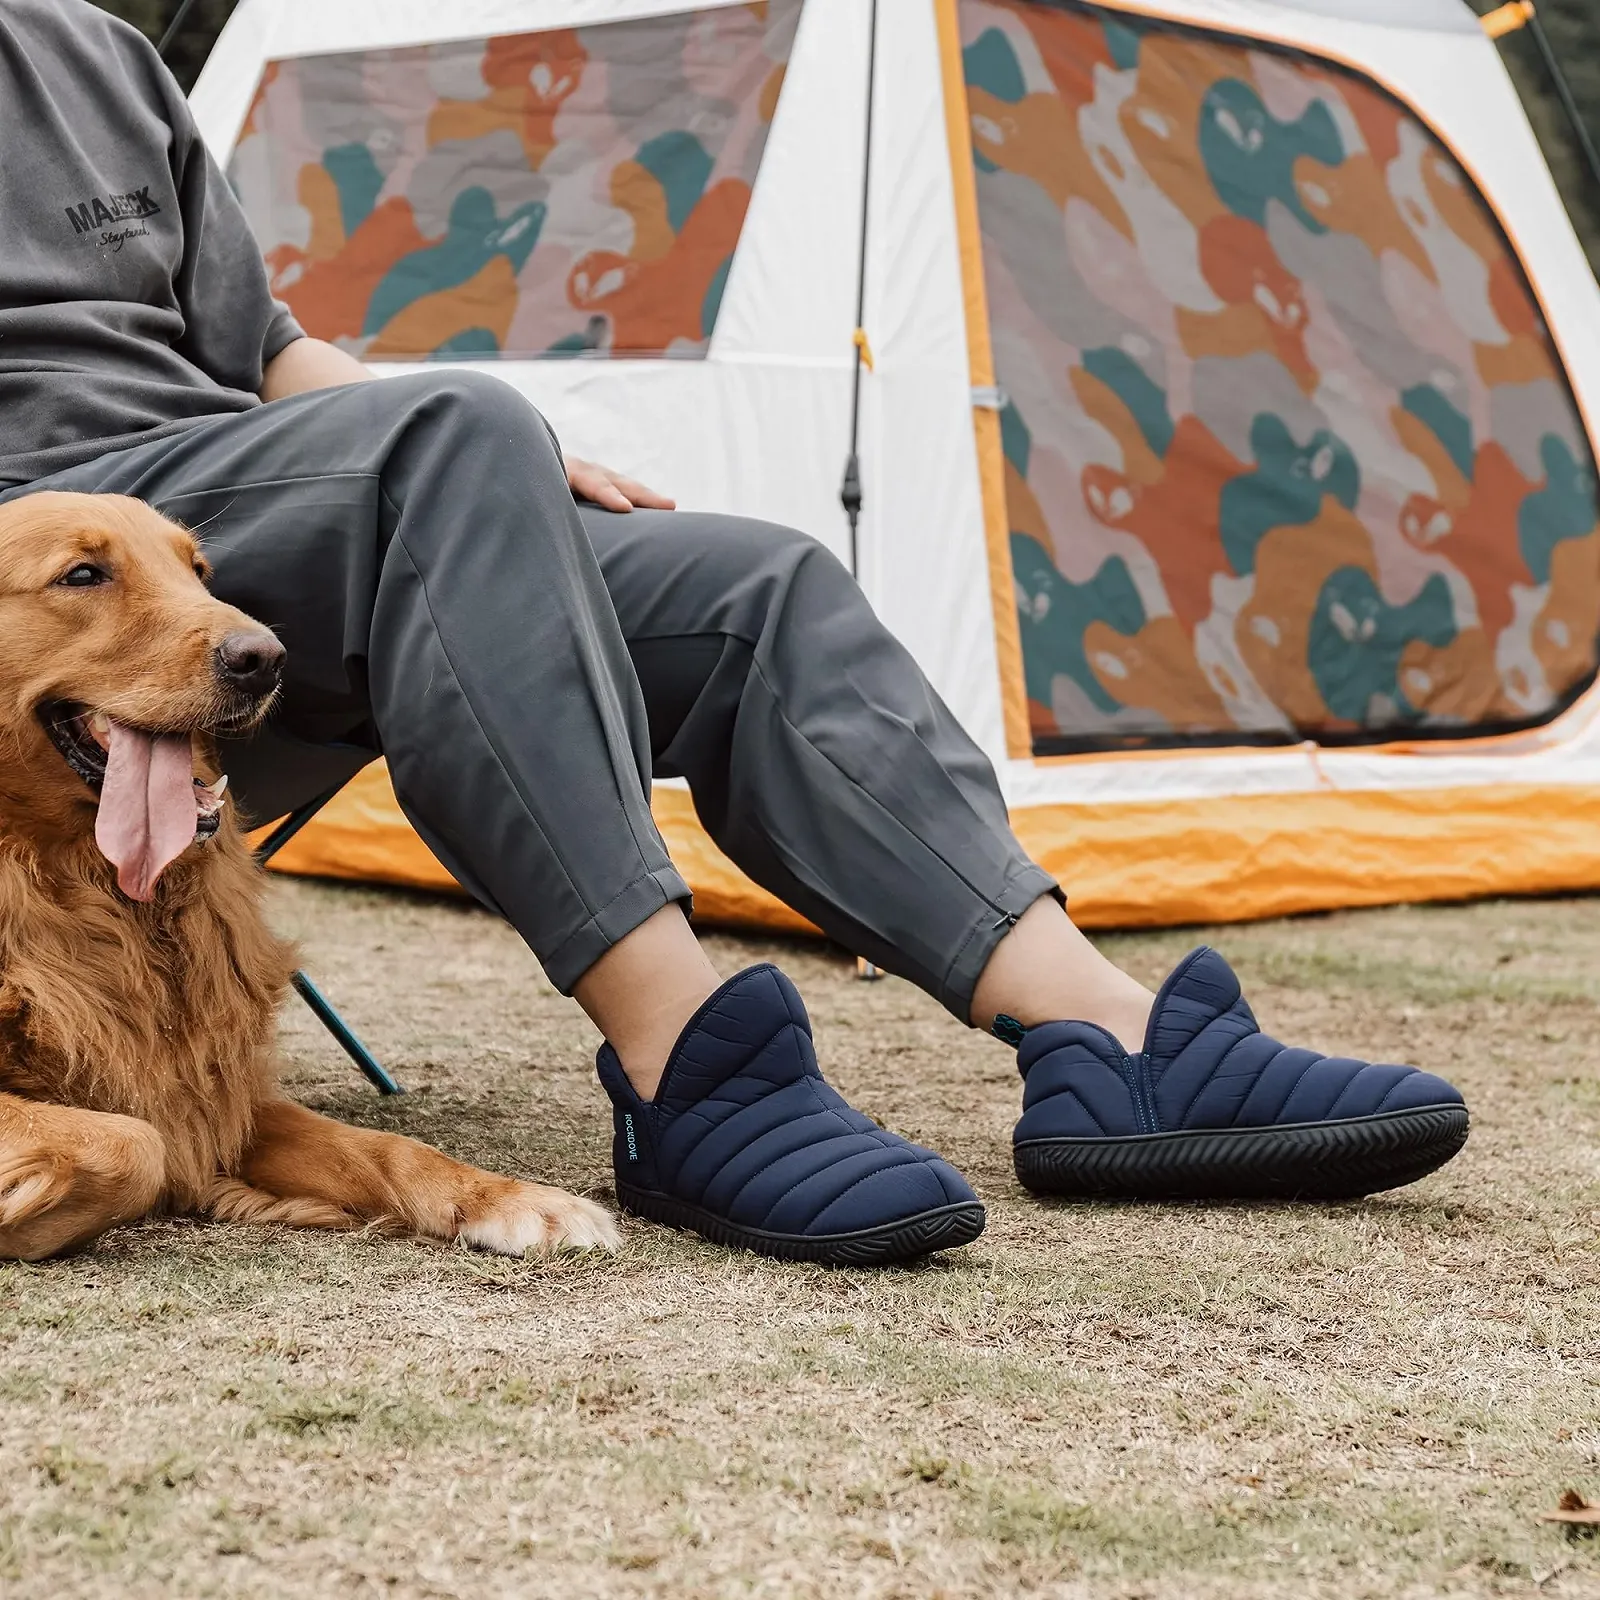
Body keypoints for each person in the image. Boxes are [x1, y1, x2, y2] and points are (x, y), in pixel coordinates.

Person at [0, 0, 1469, 1264]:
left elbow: (264, 354)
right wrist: (431, 448)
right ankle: (687, 1068)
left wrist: (474, 465)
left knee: (749, 588)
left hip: (218, 522)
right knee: (448, 435)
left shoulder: (95, 49)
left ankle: (1110, 1044)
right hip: (40, 551)